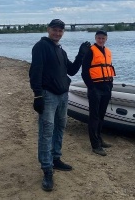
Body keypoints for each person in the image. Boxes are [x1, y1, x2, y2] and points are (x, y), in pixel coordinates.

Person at [29, 19, 90, 192]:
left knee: (60, 127)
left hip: (63, 95)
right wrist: (38, 94)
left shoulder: (60, 49)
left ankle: (56, 158)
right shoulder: (41, 46)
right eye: (54, 30)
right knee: (46, 131)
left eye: (60, 31)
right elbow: (35, 71)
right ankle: (47, 169)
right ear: (48, 30)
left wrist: (81, 55)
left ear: (63, 32)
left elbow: (70, 71)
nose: (57, 33)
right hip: (48, 95)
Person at [81, 30, 116, 156]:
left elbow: (109, 68)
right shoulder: (90, 51)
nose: (101, 40)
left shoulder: (108, 52)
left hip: (106, 87)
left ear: (106, 39)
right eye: (99, 38)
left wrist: (110, 85)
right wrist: (91, 87)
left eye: (103, 38)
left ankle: (100, 139)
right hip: (95, 88)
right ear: (95, 38)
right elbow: (84, 72)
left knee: (101, 116)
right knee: (94, 117)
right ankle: (95, 145)